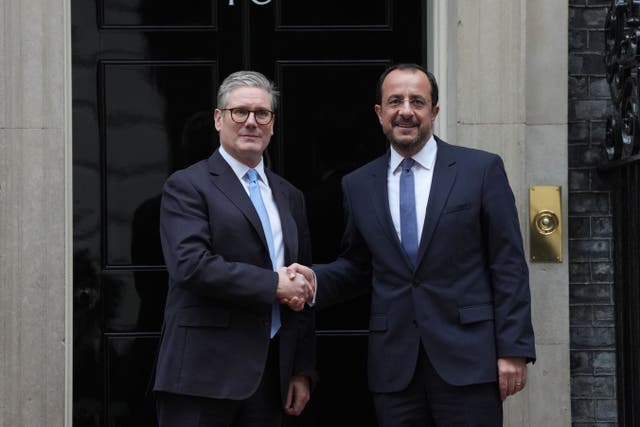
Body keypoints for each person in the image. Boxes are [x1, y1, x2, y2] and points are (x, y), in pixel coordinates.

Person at [289, 63, 535, 426]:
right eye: (395, 102)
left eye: (417, 101)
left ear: (434, 111)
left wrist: (513, 349)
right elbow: (359, 266)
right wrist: (312, 281)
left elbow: (508, 264)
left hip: (469, 361)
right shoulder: (357, 184)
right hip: (395, 368)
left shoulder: (479, 170)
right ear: (380, 113)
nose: (406, 111)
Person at [153, 70, 316, 427]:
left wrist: (301, 368)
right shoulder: (187, 186)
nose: (251, 122)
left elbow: (299, 281)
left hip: (270, 376)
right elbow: (191, 266)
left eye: (262, 113)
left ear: (272, 124)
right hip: (202, 375)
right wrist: (273, 285)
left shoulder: (290, 196)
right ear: (218, 118)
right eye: (239, 112)